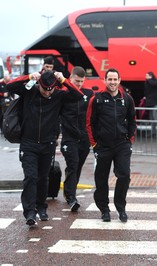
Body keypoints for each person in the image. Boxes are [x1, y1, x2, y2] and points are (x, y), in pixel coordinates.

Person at [6, 70, 83, 226]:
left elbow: (78, 95)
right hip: (28, 143)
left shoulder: (58, 96)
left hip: (48, 144)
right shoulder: (29, 92)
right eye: (44, 89)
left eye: (51, 89)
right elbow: (10, 85)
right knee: (31, 177)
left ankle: (41, 207)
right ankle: (29, 212)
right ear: (39, 85)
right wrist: (29, 77)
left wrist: (63, 80)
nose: (48, 92)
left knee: (42, 178)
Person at [86, 68, 136, 223]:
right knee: (101, 179)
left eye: (115, 79)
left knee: (124, 175)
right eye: (110, 79)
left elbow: (132, 121)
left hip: (122, 145)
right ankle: (104, 210)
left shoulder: (127, 99)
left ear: (119, 80)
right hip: (102, 146)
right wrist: (94, 144)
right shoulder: (97, 99)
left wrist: (130, 140)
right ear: (105, 80)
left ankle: (120, 207)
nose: (112, 82)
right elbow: (89, 123)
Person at [60, 66, 94, 211]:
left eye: (81, 81)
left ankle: (69, 191)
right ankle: (71, 197)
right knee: (73, 164)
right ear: (70, 78)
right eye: (76, 80)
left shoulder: (89, 93)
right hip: (69, 138)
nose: (79, 84)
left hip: (84, 139)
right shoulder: (63, 94)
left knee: (77, 167)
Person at [144, 71, 157, 136]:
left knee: (155, 117)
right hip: (151, 103)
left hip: (156, 103)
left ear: (151, 76)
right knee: (152, 118)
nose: (145, 77)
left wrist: (149, 79)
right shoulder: (148, 83)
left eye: (147, 75)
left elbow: (154, 84)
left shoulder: (155, 82)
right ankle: (153, 132)